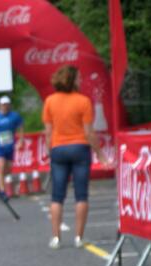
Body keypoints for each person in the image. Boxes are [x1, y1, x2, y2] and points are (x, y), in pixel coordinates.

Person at [42, 65, 112, 249]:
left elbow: (48, 133)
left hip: (58, 148)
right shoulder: (83, 101)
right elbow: (89, 133)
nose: (81, 81)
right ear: (72, 80)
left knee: (57, 195)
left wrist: (51, 151)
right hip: (80, 148)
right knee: (81, 194)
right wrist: (100, 154)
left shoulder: (50, 101)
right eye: (79, 78)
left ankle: (56, 238)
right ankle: (79, 238)